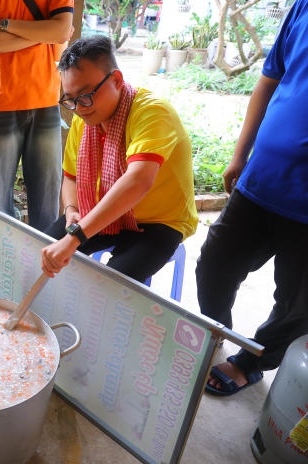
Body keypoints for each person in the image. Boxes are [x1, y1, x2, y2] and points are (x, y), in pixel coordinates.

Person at [198, 0, 308, 397]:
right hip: (262, 178)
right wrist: (239, 155)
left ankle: (254, 362)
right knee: (214, 263)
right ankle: (217, 332)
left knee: (298, 303)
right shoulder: (303, 7)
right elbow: (269, 81)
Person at [40, 35, 198, 282]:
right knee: (41, 249)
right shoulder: (85, 120)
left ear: (116, 79)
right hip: (102, 211)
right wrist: (72, 211)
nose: (80, 108)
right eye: (70, 99)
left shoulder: (153, 113)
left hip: (158, 224)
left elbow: (138, 181)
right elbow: (70, 177)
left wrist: (75, 237)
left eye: (86, 95)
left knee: (111, 285)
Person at [0, 0, 74, 231]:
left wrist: (5, 25)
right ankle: (4, 258)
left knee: (47, 201)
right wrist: (46, 32)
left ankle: (43, 262)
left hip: (44, 98)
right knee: (0, 201)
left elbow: (62, 32)